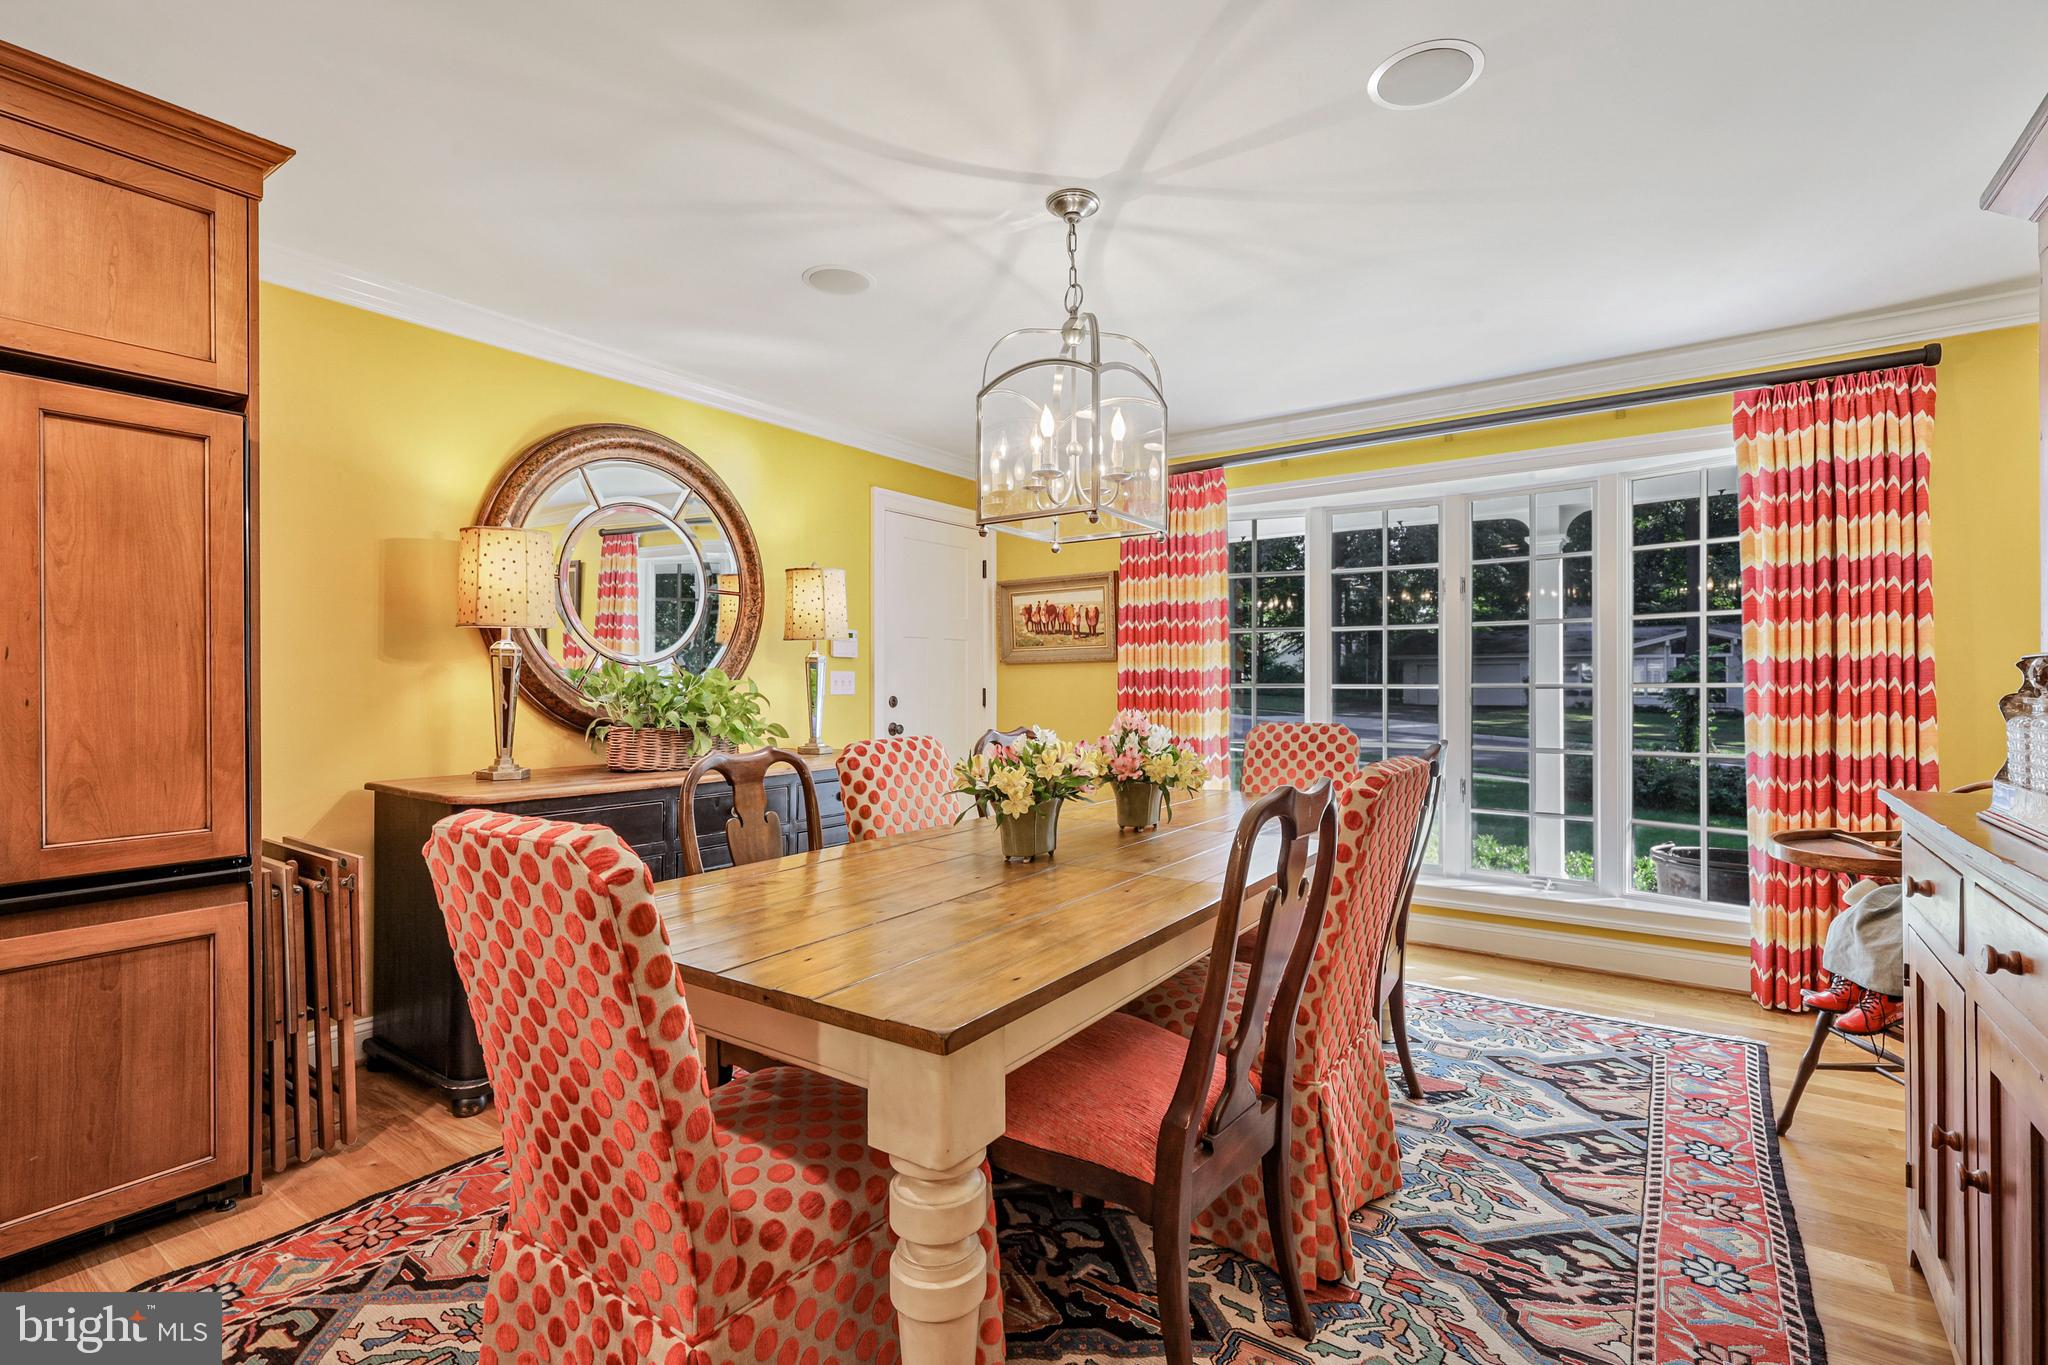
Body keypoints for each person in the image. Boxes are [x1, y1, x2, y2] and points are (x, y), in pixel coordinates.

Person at [1800, 878, 1902, 1033]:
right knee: (1851, 918)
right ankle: (1852, 987)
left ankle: (1888, 1001)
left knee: (1892, 936)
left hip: (1936, 898)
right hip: (1908, 887)